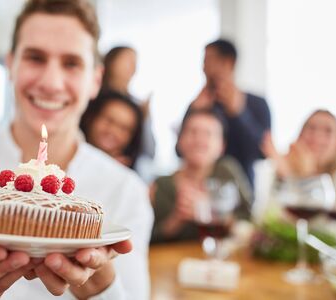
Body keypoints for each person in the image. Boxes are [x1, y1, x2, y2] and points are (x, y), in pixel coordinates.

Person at [0, 1, 153, 299]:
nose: (51, 82)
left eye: (71, 63)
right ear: (11, 65)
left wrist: (101, 288)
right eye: (35, 58)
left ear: (95, 80)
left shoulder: (128, 191)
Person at [150, 108, 252, 243]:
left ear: (221, 146)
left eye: (208, 134)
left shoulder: (227, 171)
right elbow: (146, 237)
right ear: (179, 140)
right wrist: (177, 218)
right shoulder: (160, 185)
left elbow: (249, 220)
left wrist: (212, 212)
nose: (199, 140)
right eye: (193, 132)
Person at [260, 109, 336, 244]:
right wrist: (285, 176)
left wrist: (308, 177)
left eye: (328, 131)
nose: (317, 137)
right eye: (311, 128)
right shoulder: (285, 173)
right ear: (300, 136)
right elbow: (266, 224)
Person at [187, 39, 271, 187]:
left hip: (242, 192)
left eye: (208, 60)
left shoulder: (257, 103)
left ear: (228, 62)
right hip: (196, 189)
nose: (204, 67)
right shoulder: (198, 104)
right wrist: (194, 112)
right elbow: (180, 151)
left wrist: (239, 113)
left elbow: (262, 152)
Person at [98, 46, 156, 182]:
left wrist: (145, 119)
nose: (133, 67)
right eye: (127, 60)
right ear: (111, 61)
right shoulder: (93, 96)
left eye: (135, 62)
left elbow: (149, 152)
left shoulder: (138, 106)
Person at [80, 91, 143, 169]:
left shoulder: (126, 177)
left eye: (123, 128)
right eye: (109, 120)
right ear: (91, 118)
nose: (113, 131)